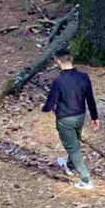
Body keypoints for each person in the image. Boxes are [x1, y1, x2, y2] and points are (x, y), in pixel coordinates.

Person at [40, 49, 99, 190]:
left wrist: (44, 108)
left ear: (58, 61)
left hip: (65, 119)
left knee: (73, 149)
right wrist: (95, 117)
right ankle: (70, 165)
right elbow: (90, 98)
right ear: (71, 59)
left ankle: (85, 179)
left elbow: (50, 103)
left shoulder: (59, 81)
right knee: (75, 143)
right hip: (80, 117)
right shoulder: (83, 77)